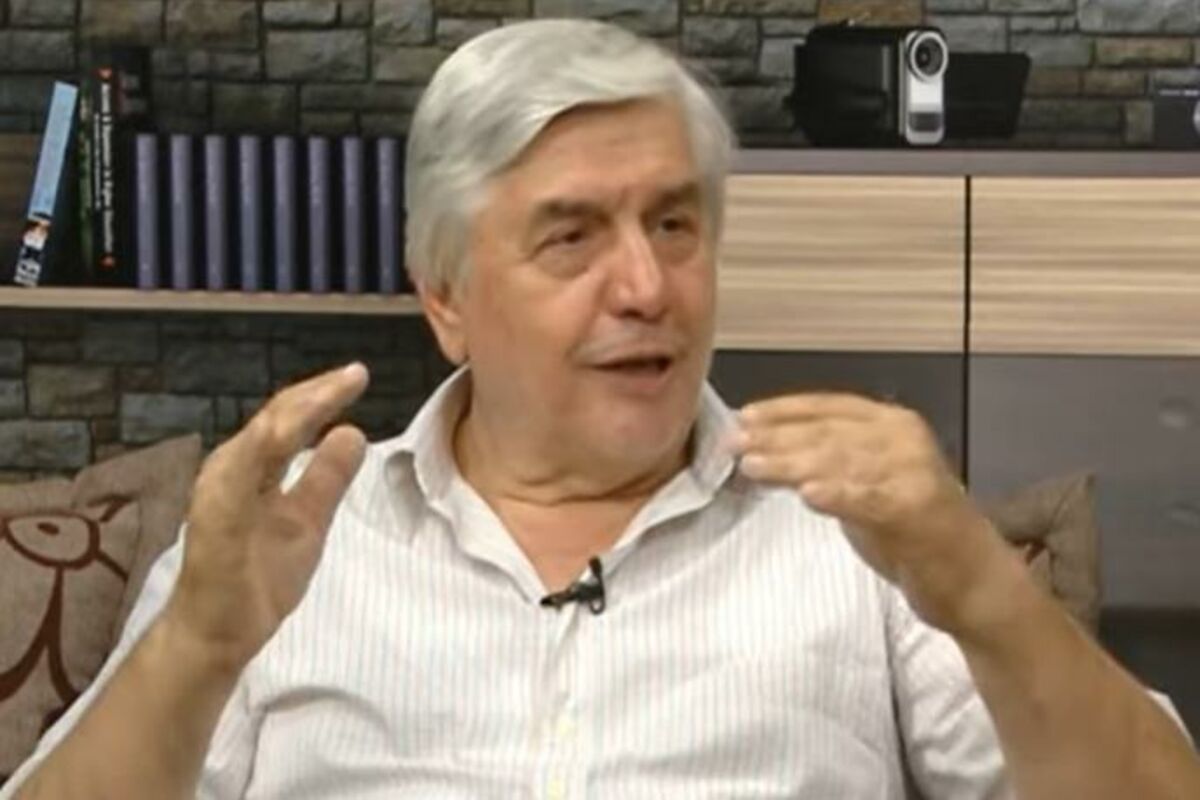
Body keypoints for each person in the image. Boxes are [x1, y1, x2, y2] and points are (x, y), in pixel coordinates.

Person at [5, 18, 1199, 800]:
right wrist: (196, 648)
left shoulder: (859, 536)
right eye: (571, 237)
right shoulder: (283, 542)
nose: (646, 286)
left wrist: (985, 591)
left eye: (675, 224)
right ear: (445, 294)